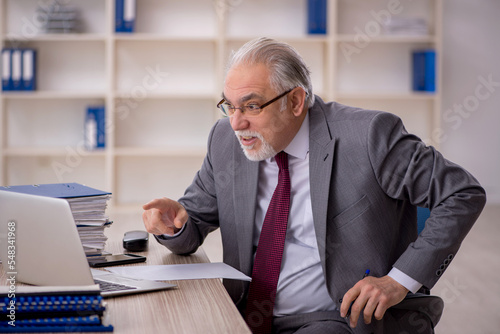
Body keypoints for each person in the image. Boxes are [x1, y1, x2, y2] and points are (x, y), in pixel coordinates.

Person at [142, 37, 486, 334]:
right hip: (243, 312)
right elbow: (193, 222)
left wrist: (399, 280)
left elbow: (461, 193)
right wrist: (174, 226)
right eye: (228, 106)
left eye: (251, 105)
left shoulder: (367, 137)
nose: (236, 122)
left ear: (294, 101)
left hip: (339, 319)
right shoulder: (226, 140)